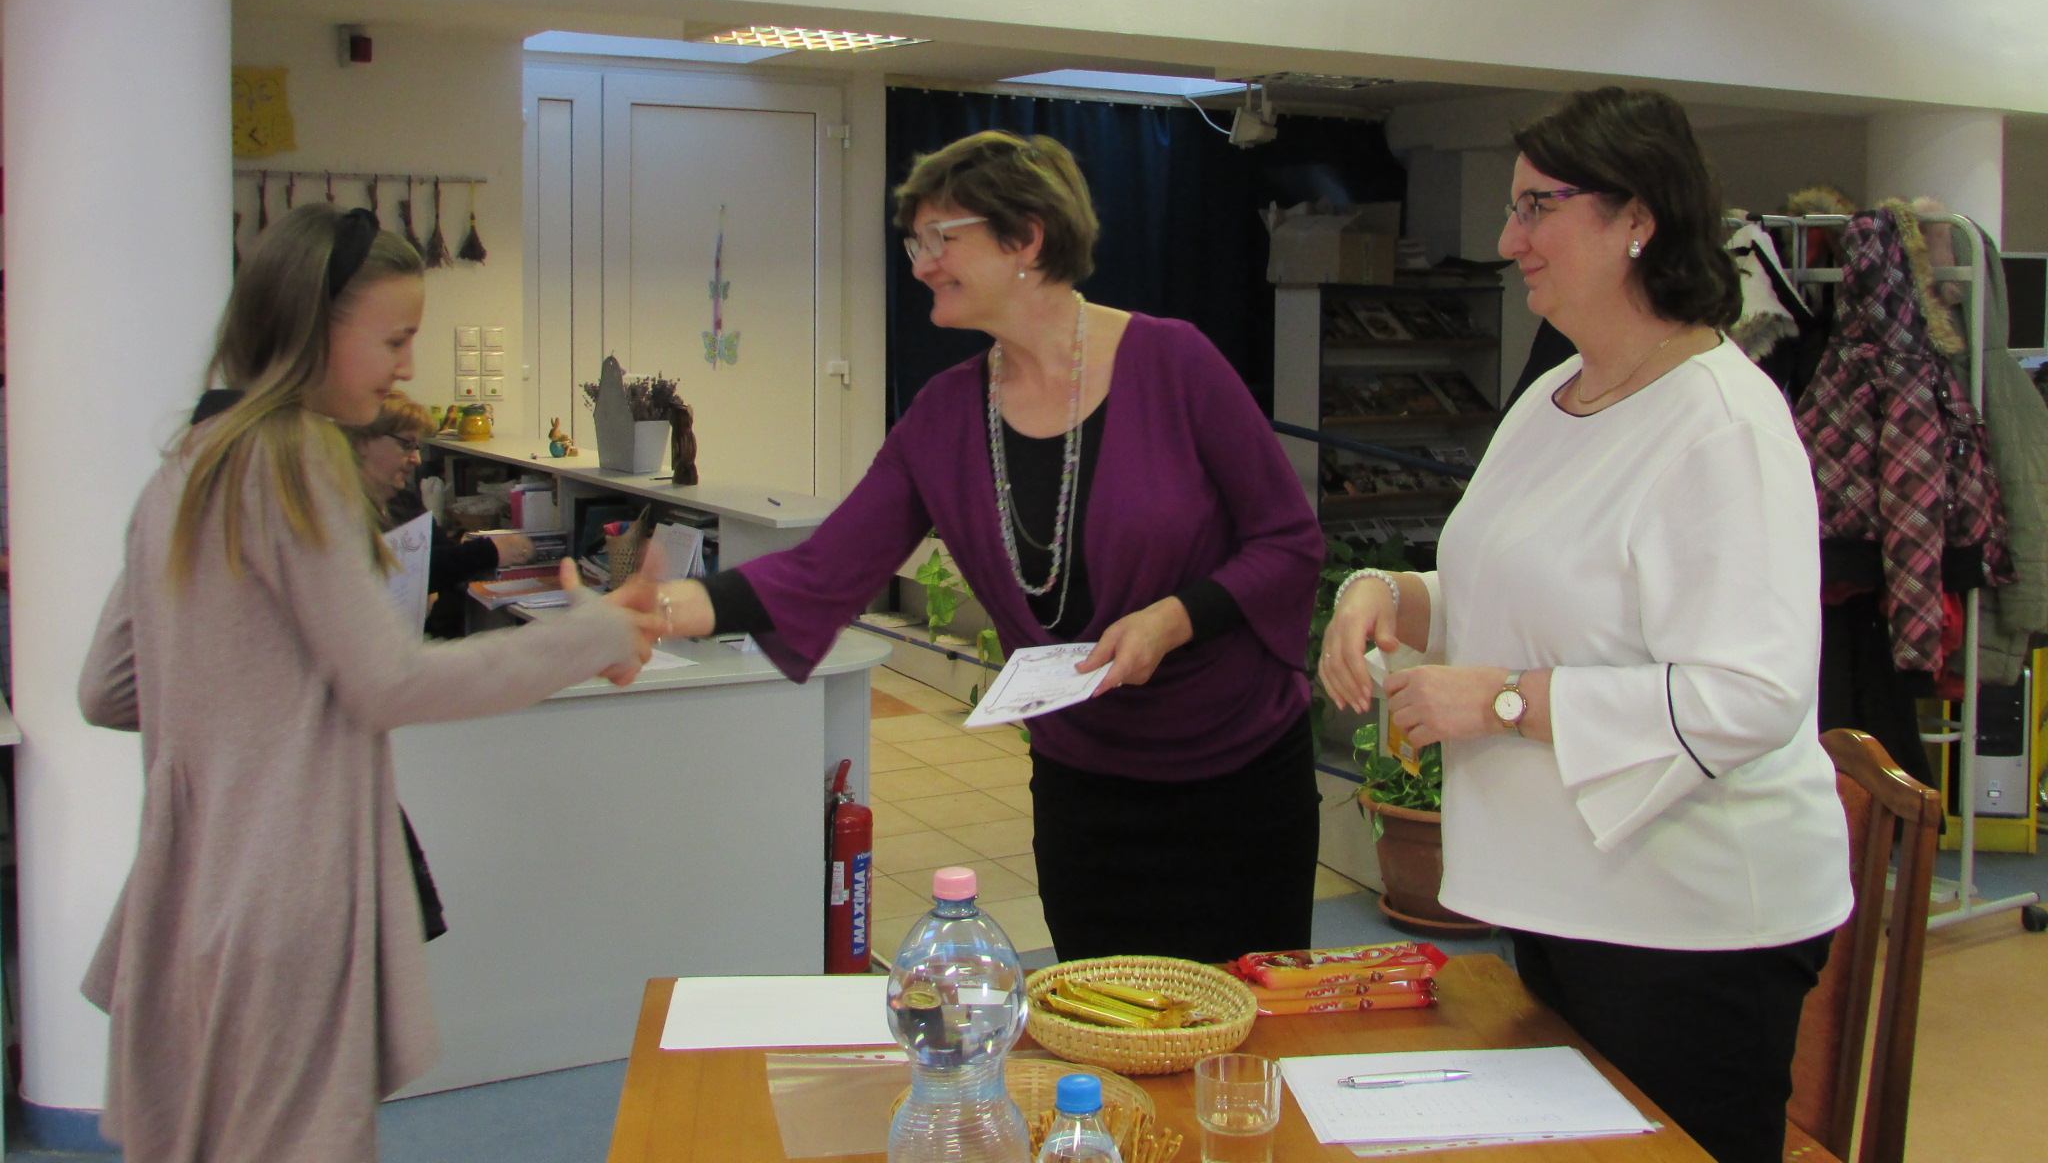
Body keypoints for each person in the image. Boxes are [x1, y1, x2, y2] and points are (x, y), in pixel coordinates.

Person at [1319, 88, 1851, 1163]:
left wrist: (1502, 701)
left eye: (1536, 207)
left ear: (1636, 218)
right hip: (1563, 892)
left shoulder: (1722, 424)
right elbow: (1517, 591)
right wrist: (1386, 593)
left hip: (1689, 919)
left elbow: (1750, 695)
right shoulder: (1558, 391)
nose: (1507, 239)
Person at [79, 204, 664, 1163]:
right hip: (284, 892)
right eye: (394, 340)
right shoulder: (295, 459)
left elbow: (107, 688)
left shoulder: (186, 467)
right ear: (312, 328)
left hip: (188, 893)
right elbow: (386, 682)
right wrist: (589, 634)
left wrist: (246, 699)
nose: (405, 367)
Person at [660, 131, 1324, 962]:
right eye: (916, 244)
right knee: (1099, 1019)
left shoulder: (1175, 363)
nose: (921, 265)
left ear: (1027, 239)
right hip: (1086, 790)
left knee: (1251, 1022)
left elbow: (1287, 541)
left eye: (942, 238)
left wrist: (1174, 619)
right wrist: (667, 609)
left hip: (1237, 777)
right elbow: (825, 570)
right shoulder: (944, 417)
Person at [346, 392, 536, 637]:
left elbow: (435, 559)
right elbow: (400, 570)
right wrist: (492, 551)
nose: (416, 459)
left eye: (416, 447)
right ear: (363, 442)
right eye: (406, 445)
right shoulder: (341, 510)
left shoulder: (403, 499)